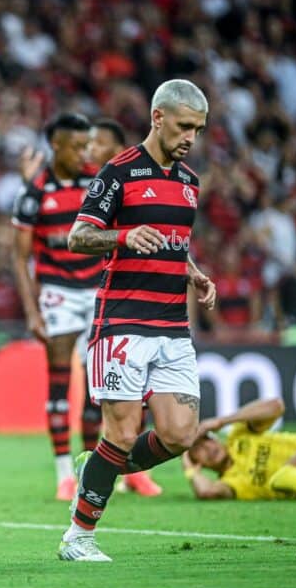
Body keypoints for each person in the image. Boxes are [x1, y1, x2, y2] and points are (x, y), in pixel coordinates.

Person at [57, 79, 218, 562]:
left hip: (172, 327)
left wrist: (193, 273)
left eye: (199, 129)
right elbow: (78, 236)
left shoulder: (189, 183)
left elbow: (173, 244)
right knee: (124, 433)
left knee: (180, 434)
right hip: (122, 323)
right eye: (185, 126)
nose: (191, 137)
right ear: (158, 118)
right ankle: (78, 537)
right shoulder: (118, 173)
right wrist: (124, 236)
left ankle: (98, 466)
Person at [11, 113, 104, 501]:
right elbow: (18, 257)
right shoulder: (33, 193)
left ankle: (88, 469)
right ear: (57, 146)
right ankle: (64, 473)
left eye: (87, 145)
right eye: (77, 146)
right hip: (58, 293)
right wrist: (32, 312)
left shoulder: (97, 181)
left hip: (97, 288)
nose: (84, 152)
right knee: (60, 382)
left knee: (97, 387)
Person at [86, 118, 164, 498]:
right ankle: (96, 465)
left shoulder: (154, 180)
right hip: (98, 301)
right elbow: (77, 237)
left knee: (143, 401)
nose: (91, 150)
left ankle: (113, 468)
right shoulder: (107, 180)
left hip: (146, 306)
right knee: (102, 401)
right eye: (88, 144)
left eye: (99, 143)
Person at [183, 397, 296, 502]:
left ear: (216, 438)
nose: (207, 449)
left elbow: (276, 406)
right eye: (198, 451)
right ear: (199, 464)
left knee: (282, 477)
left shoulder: (240, 435)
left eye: (207, 440)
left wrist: (222, 421)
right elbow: (206, 492)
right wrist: (189, 469)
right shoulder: (232, 484)